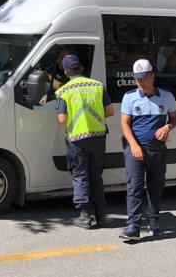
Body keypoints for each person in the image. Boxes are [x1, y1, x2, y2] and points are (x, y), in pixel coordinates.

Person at [119, 59, 176, 240]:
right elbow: (125, 124)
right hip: (134, 150)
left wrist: (167, 127)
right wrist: (135, 146)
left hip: (157, 150)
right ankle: (133, 226)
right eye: (137, 78)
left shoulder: (167, 96)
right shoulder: (129, 97)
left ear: (152, 76)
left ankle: (154, 222)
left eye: (143, 78)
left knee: (155, 187)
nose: (140, 82)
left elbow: (174, 118)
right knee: (134, 187)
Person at [55, 55, 114, 229]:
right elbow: (109, 111)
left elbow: (62, 118)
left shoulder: (64, 91)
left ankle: (84, 216)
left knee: (80, 175)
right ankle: (101, 216)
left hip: (77, 140)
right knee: (96, 175)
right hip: (98, 137)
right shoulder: (97, 86)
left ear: (66, 72)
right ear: (81, 68)